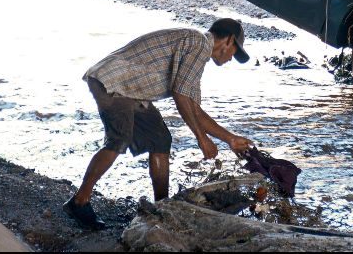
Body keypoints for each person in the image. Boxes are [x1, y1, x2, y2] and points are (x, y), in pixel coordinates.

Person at [63, 18, 254, 230]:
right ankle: (79, 201)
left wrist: (230, 139)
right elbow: (180, 94)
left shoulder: (196, 51)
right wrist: (202, 139)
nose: (231, 59)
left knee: (160, 140)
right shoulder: (199, 44)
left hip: (131, 89)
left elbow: (193, 109)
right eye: (235, 53)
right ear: (228, 40)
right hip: (113, 81)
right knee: (119, 139)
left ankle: (161, 206)